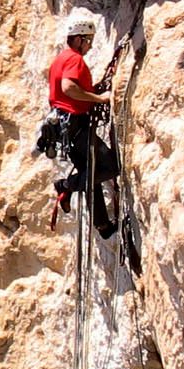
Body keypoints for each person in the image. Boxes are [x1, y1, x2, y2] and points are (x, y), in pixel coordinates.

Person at [48, 17, 118, 237]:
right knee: (109, 167)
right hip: (76, 126)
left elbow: (69, 89)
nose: (90, 46)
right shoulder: (74, 59)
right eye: (88, 41)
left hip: (64, 128)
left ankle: (103, 226)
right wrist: (100, 99)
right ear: (79, 39)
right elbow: (68, 87)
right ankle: (66, 186)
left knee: (90, 172)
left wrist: (91, 92)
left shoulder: (60, 59)